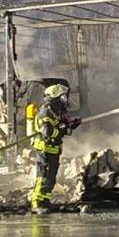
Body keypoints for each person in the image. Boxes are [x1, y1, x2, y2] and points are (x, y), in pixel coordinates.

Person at [29, 83, 81, 214]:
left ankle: (45, 202)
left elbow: (59, 126)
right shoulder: (45, 112)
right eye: (63, 97)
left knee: (51, 178)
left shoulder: (53, 112)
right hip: (45, 151)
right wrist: (63, 130)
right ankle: (36, 203)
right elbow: (47, 131)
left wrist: (70, 126)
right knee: (43, 177)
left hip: (53, 151)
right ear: (56, 98)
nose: (65, 101)